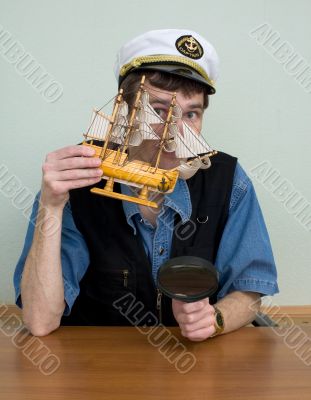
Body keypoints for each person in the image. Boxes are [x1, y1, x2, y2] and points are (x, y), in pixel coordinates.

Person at [14, 29, 279, 340]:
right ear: (124, 111)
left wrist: (215, 319)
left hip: (195, 370)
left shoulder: (228, 179)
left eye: (191, 113)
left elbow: (250, 290)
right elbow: (40, 321)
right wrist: (51, 206)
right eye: (159, 110)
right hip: (96, 365)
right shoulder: (76, 179)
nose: (174, 133)